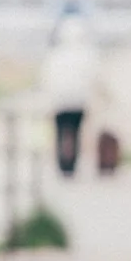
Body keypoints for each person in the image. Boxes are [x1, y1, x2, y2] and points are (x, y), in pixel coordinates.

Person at [40, 16, 107, 177]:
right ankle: (72, 165)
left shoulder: (55, 55)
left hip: (59, 102)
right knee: (75, 133)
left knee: (61, 132)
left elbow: (46, 79)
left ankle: (63, 165)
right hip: (79, 102)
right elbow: (95, 78)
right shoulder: (88, 55)